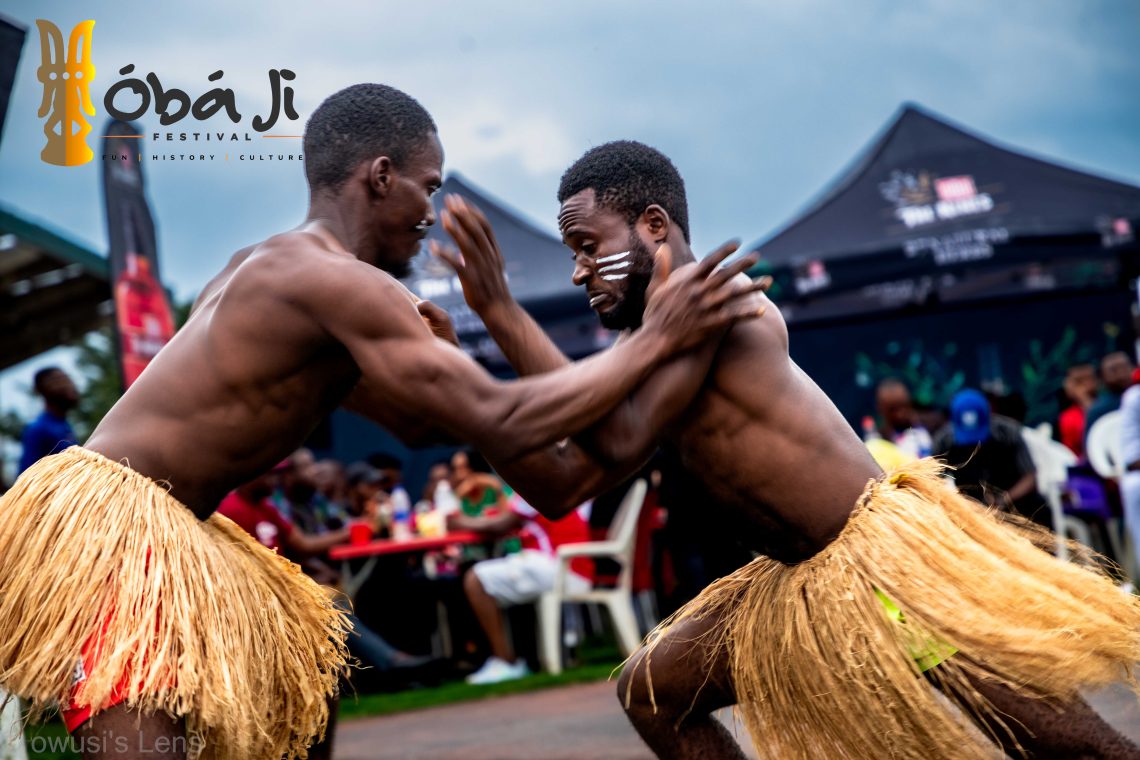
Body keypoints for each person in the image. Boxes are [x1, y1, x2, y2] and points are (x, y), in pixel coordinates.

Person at [0, 88, 760, 760]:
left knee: (306, 677)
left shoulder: (265, 267)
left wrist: (472, 358)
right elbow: (502, 415)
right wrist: (658, 341)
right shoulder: (338, 282)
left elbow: (449, 430)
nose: (431, 214)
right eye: (428, 187)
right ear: (382, 176)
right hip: (118, 531)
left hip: (149, 521)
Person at [431, 140, 1140, 760]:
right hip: (800, 574)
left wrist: (500, 313)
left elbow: (606, 434)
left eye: (588, 246)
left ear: (653, 226)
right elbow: (565, 480)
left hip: (882, 570)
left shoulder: (716, 301)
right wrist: (466, 379)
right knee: (652, 690)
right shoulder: (651, 339)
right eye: (574, 254)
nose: (581, 271)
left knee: (1060, 740)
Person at [448, 492, 593, 684]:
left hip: (559, 566)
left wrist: (458, 522)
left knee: (475, 580)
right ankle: (523, 658)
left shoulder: (536, 484)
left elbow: (499, 525)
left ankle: (505, 661)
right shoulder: (553, 482)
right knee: (493, 576)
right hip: (571, 568)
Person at [933, 388, 1050, 529]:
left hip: (1016, 507)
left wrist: (1005, 499)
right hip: (970, 513)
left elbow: (1030, 477)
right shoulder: (944, 441)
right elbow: (934, 482)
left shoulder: (1008, 433)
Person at [17, 366, 79, 475]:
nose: (68, 384)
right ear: (41, 389)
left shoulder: (64, 425)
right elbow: (26, 476)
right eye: (59, 380)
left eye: (68, 379)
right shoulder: (38, 429)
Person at [1086, 351, 1136, 446]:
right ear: (1102, 377)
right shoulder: (1098, 410)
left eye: (1124, 367)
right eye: (1113, 370)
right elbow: (1091, 447)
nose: (1121, 374)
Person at [875, 378, 933, 459]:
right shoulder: (875, 441)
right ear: (881, 409)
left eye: (904, 406)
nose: (900, 414)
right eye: (892, 409)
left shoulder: (922, 432)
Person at [1059, 363, 1099, 457]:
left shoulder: (1108, 404)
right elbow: (1086, 439)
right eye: (1079, 382)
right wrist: (1083, 398)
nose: (1085, 385)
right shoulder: (1068, 417)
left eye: (1088, 378)